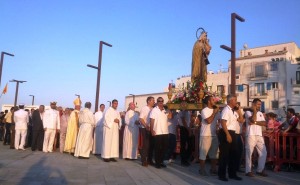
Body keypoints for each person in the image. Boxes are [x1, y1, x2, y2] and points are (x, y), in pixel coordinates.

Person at [218, 94, 242, 181]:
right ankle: (222, 175)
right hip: (226, 132)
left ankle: (232, 173)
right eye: (235, 100)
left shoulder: (234, 111)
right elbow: (223, 122)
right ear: (230, 101)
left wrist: (239, 111)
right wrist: (227, 134)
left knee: (233, 154)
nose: (236, 101)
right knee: (224, 155)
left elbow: (241, 120)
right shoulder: (226, 110)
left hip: (233, 132)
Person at [244, 98, 268, 177]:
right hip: (250, 135)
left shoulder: (260, 113)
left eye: (260, 104)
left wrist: (255, 122)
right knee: (249, 153)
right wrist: (254, 111)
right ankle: (248, 171)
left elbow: (264, 123)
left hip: (259, 135)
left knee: (263, 152)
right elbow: (251, 120)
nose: (259, 106)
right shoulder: (247, 112)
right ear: (253, 104)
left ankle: (260, 170)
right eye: (258, 104)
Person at [199, 95, 220, 176]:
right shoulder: (204, 110)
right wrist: (214, 113)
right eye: (212, 100)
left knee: (214, 154)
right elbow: (208, 121)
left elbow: (220, 120)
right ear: (208, 101)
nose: (214, 101)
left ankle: (213, 169)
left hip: (213, 135)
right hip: (205, 135)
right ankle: (202, 169)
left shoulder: (216, 110)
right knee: (203, 153)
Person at [150, 97, 170, 169]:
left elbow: (170, 116)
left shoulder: (165, 110)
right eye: (159, 101)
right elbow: (152, 120)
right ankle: (157, 163)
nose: (161, 102)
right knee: (157, 148)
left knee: (164, 148)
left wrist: (168, 109)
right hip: (157, 132)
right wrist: (152, 130)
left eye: (162, 101)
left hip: (165, 132)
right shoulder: (154, 110)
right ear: (157, 102)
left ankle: (161, 161)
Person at [139, 96, 155, 167]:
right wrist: (146, 126)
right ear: (148, 101)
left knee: (151, 145)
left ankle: (149, 160)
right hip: (145, 128)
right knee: (146, 145)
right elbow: (141, 119)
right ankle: (143, 160)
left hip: (152, 129)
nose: (154, 102)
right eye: (153, 100)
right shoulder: (144, 108)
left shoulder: (154, 109)